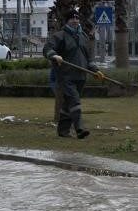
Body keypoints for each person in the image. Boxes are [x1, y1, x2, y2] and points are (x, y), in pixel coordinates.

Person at [42, 9, 105, 139]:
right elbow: (47, 49)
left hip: (81, 76)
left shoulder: (84, 37)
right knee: (75, 101)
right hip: (66, 76)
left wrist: (95, 70)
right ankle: (80, 129)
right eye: (72, 18)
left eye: (77, 18)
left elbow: (89, 58)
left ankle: (63, 131)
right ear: (67, 21)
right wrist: (54, 55)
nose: (75, 21)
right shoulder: (59, 36)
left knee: (68, 103)